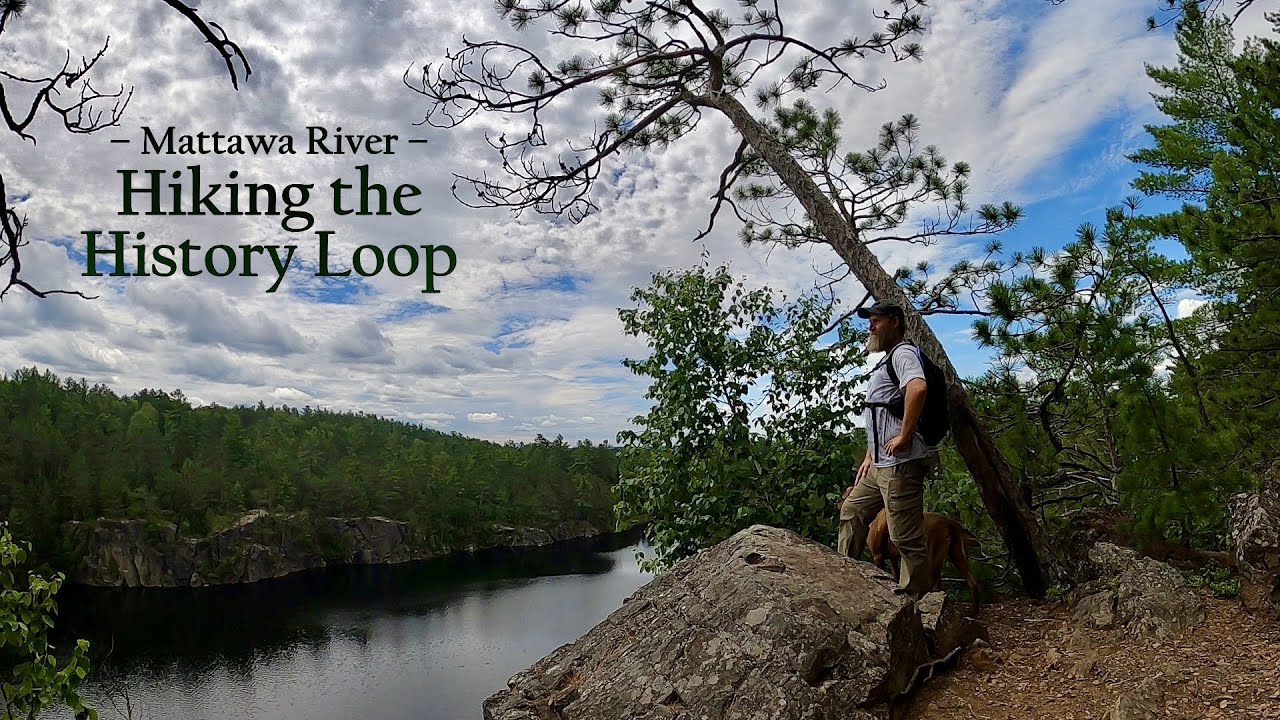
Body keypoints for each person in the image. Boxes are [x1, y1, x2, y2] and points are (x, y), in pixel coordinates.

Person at [837, 299, 934, 598]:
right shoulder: (887, 359)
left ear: (894, 321)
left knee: (904, 537)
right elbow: (880, 415)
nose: (870, 325)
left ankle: (915, 606)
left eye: (876, 320)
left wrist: (904, 436)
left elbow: (918, 388)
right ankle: (842, 576)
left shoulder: (904, 353)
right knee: (852, 510)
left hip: (900, 464)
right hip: (880, 464)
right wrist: (869, 454)